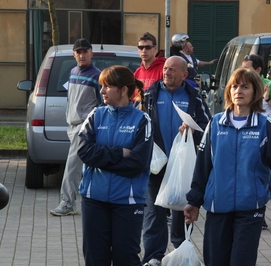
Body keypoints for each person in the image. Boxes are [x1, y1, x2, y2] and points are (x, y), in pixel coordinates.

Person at [184, 68, 271, 266]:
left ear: (256, 92)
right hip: (217, 207)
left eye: (245, 87)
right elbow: (203, 166)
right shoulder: (215, 123)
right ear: (228, 91)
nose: (239, 91)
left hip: (250, 209)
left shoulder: (264, 125)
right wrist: (193, 201)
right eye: (235, 86)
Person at [77, 66, 153, 265]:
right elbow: (84, 152)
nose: (101, 91)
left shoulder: (142, 120)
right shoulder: (96, 115)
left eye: (107, 86)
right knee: (95, 260)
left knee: (125, 259)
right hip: (94, 201)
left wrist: (101, 161)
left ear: (124, 90)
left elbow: (138, 163)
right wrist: (120, 153)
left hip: (127, 204)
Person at [142, 56, 211, 266]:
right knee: (154, 213)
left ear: (184, 74)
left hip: (182, 164)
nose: (167, 72)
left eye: (172, 69)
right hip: (157, 164)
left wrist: (193, 129)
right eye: (165, 69)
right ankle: (154, 256)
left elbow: (206, 125)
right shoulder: (150, 95)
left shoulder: (194, 96)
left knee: (182, 209)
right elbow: (140, 123)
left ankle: (181, 253)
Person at [50, 38, 101, 216]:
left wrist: (92, 125)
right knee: (84, 166)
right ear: (74, 54)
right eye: (78, 52)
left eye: (85, 51)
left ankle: (68, 203)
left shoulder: (97, 76)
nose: (82, 55)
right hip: (72, 126)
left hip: (84, 128)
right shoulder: (72, 72)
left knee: (72, 165)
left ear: (91, 53)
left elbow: (102, 104)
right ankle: (95, 203)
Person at [242, 54, 271, 229]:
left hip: (270, 139)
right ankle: (261, 216)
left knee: (264, 178)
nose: (244, 71)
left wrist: (268, 98)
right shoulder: (245, 86)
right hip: (250, 138)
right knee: (257, 177)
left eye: (248, 67)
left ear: (258, 70)